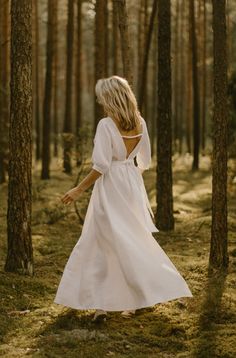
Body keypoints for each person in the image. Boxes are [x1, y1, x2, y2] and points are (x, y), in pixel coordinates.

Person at [54, 75, 193, 322]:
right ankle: (134, 297)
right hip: (131, 183)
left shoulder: (106, 125)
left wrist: (78, 189)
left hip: (110, 187)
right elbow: (145, 161)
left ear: (110, 97)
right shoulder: (141, 122)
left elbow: (102, 166)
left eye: (101, 97)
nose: (99, 101)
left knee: (102, 242)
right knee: (130, 240)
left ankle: (102, 305)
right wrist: (130, 176)